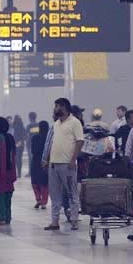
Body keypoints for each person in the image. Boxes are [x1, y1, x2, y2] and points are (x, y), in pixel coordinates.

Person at [43, 98, 84, 231]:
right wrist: (46, 159)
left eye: (57, 106)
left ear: (64, 107)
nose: (55, 109)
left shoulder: (75, 122)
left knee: (72, 193)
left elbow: (79, 142)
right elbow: (51, 143)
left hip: (68, 164)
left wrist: (73, 159)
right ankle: (55, 222)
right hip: (54, 164)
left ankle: (74, 220)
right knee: (54, 194)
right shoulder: (56, 124)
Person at [0, 117, 17, 225]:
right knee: (8, 194)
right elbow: (14, 155)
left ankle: (1, 217)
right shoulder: (10, 137)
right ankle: (7, 216)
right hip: (10, 170)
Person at [31, 120, 49, 209]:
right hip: (46, 162)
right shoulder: (49, 139)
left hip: (35, 162)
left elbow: (33, 151)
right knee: (44, 183)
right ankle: (44, 202)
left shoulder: (35, 137)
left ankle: (38, 199)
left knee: (35, 182)